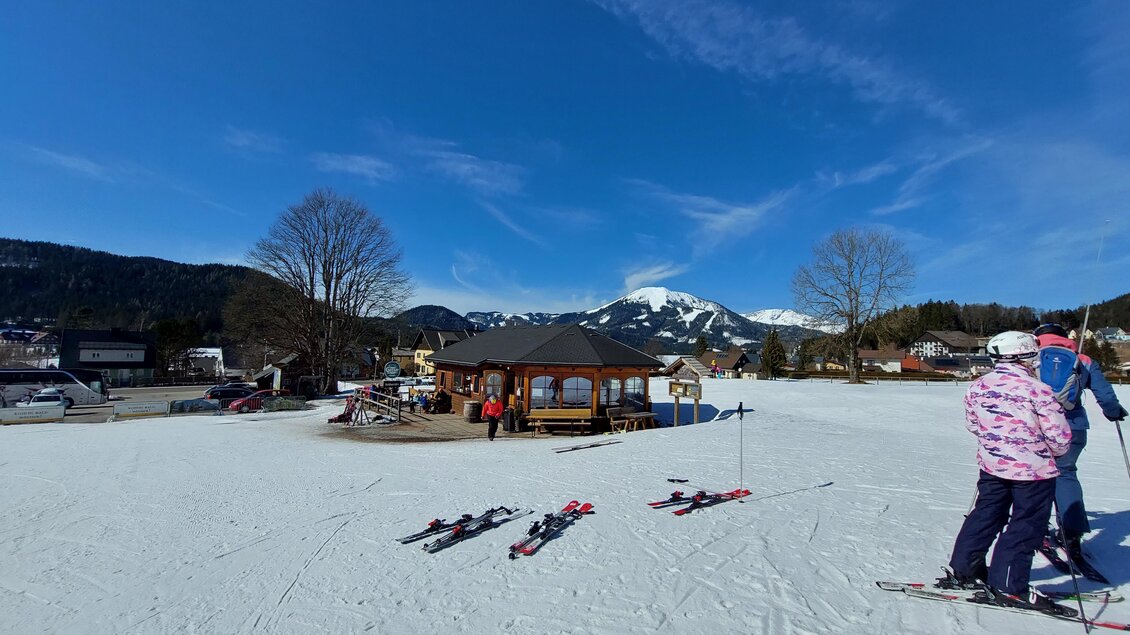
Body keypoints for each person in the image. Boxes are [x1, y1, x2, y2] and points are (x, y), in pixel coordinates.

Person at [943, 331, 1072, 611]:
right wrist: (1054, 452)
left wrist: (997, 444)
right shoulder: (1037, 389)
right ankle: (1008, 584)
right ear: (1025, 356)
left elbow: (974, 424)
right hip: (1033, 471)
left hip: (993, 465)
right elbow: (1059, 435)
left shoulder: (978, 386)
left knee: (986, 513)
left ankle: (965, 569)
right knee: (1026, 523)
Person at [1033, 323, 1128, 561]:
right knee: (1065, 474)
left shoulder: (1030, 358)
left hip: (1035, 427)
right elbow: (1104, 393)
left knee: (1035, 478)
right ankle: (1071, 533)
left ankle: (1036, 529)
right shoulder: (1082, 359)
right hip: (1072, 427)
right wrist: (1113, 411)